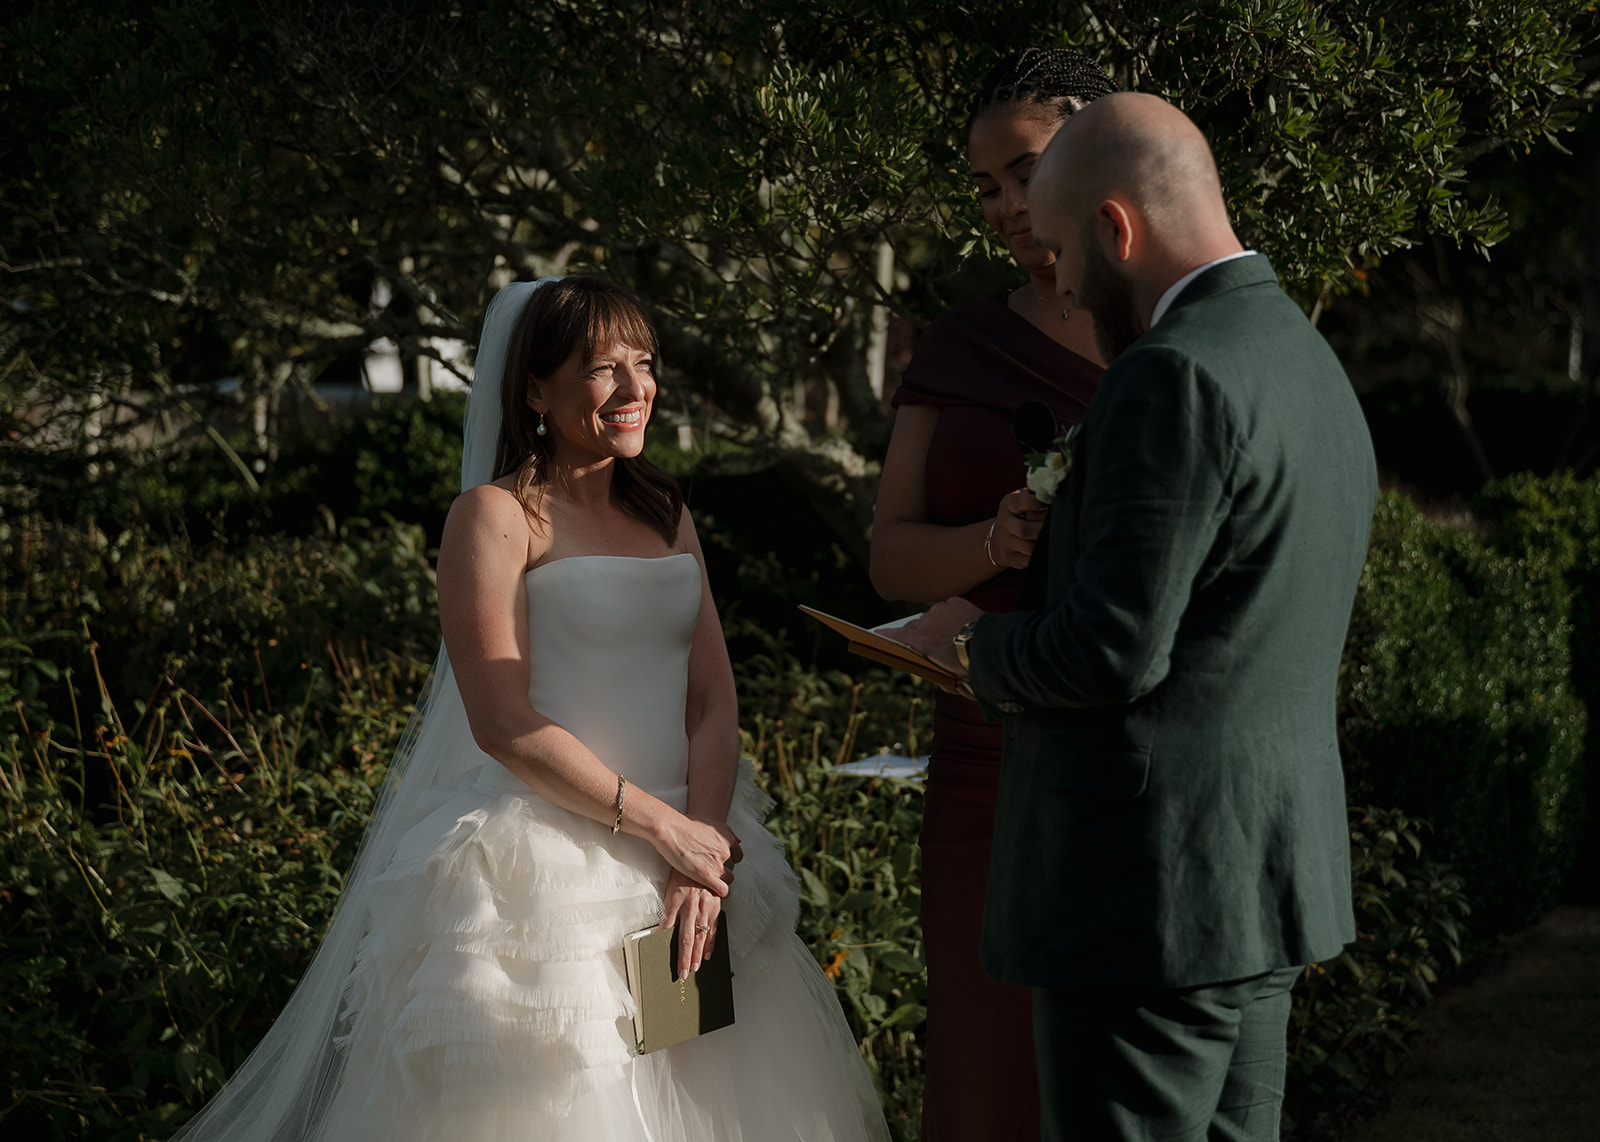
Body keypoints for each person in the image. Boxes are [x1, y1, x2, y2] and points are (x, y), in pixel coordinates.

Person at [170, 275, 891, 1142]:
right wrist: (661, 828)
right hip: (546, 873)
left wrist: (702, 852)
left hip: (692, 863)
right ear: (533, 391)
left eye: (645, 363)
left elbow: (712, 696)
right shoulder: (495, 517)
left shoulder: (667, 512)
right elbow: (501, 719)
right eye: (601, 369)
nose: (635, 390)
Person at [897, 93, 1378, 1141]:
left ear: (1117, 229)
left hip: (1146, 904)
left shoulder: (1169, 375)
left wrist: (968, 646)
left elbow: (1109, 647)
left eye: (1067, 248)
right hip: (1261, 885)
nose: (1061, 279)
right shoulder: (1300, 354)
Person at [868, 48, 1112, 1142]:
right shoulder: (961, 341)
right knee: (979, 1070)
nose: (1007, 205)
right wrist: (990, 541)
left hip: (1120, 762)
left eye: (1025, 170)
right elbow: (888, 557)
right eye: (985, 187)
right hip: (976, 764)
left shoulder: (1170, 337)